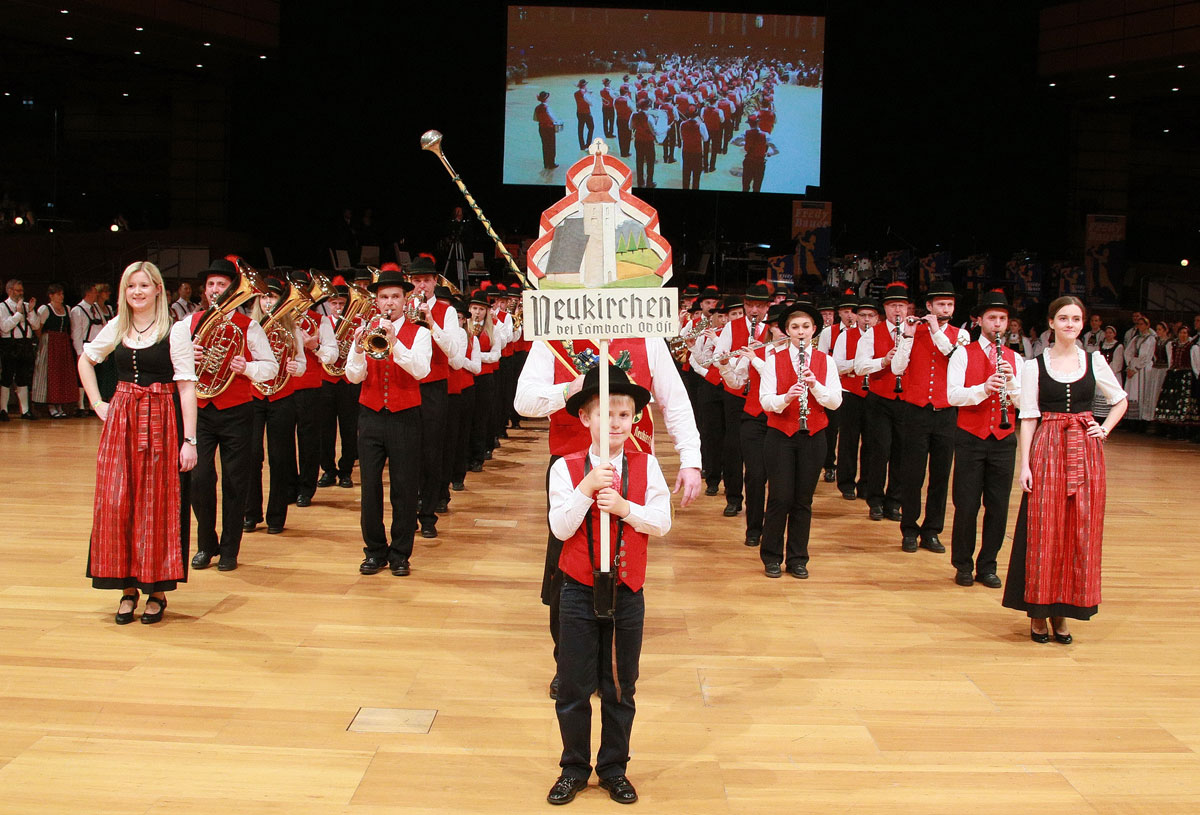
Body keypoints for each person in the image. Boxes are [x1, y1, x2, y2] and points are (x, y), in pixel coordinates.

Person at [515, 306, 701, 701]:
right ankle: (568, 660)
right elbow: (523, 401)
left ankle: (611, 666)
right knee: (567, 570)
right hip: (572, 469)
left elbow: (676, 402)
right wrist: (572, 388)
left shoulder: (647, 335)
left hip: (631, 468)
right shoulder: (553, 336)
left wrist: (691, 460)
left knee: (623, 562)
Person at [545, 365, 671, 807]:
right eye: (606, 414)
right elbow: (560, 529)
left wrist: (623, 506)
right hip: (578, 589)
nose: (615, 423)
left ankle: (614, 767)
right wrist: (584, 490)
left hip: (626, 590)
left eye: (624, 415)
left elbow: (662, 522)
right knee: (575, 685)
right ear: (585, 418)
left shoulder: (646, 464)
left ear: (635, 420)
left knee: (620, 687)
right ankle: (574, 768)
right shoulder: (565, 468)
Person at [78, 261, 198, 625]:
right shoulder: (117, 326)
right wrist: (98, 402)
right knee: (118, 501)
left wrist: (189, 439)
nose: (138, 292)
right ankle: (126, 587)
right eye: (131, 286)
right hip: (122, 422)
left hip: (162, 421)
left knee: (156, 504)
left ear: (158, 289)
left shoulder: (174, 331)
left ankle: (156, 590)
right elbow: (86, 360)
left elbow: (187, 387)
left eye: (145, 285)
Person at [1003, 296, 1127, 644]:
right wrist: (1024, 465)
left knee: (1078, 529)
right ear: (1051, 323)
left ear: (1082, 324)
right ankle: (1039, 612)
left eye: (1076, 319)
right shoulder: (1034, 365)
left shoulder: (1094, 360)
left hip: (1085, 452)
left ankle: (1064, 611)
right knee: (1045, 529)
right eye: (1063, 318)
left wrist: (1104, 428)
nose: (1070, 324)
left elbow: (1120, 399)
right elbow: (1028, 417)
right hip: (1048, 446)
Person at [188, 258, 279, 572]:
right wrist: (189, 355)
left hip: (237, 411)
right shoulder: (190, 323)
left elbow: (270, 368)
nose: (215, 290)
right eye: (211, 285)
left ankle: (230, 549)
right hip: (198, 411)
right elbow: (173, 368)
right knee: (198, 479)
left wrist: (247, 367)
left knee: (235, 481)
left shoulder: (248, 326)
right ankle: (206, 542)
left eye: (221, 285)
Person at [345, 267, 432, 576]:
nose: (389, 303)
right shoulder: (365, 330)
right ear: (376, 301)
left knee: (404, 488)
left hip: (405, 417)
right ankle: (374, 551)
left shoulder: (419, 332)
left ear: (405, 299)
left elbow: (421, 371)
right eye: (384, 297)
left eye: (395, 296)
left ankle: (400, 554)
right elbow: (353, 376)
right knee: (369, 488)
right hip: (370, 416)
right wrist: (357, 348)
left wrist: (396, 344)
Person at [758, 301, 842, 578]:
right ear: (787, 331)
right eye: (795, 327)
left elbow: (835, 402)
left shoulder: (825, 361)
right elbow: (766, 401)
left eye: (806, 326)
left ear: (814, 330)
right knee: (780, 497)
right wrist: (788, 396)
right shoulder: (774, 360)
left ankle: (798, 559)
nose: (801, 332)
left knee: (803, 500)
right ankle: (771, 556)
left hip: (814, 436)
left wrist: (815, 384)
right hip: (780, 435)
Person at [946, 290, 1022, 588]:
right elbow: (953, 395)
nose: (998, 324)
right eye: (992, 318)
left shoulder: (1016, 358)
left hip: (1003, 440)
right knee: (966, 504)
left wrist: (1011, 382)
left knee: (998, 505)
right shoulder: (963, 353)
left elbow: (1025, 402)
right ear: (980, 321)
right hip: (970, 438)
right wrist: (984, 388)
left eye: (1003, 319)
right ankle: (963, 564)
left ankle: (988, 565)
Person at [890, 282, 965, 554]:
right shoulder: (911, 332)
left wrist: (935, 330)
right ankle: (909, 528)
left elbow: (955, 360)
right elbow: (897, 368)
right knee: (912, 474)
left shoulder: (961, 336)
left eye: (950, 305)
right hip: (916, 412)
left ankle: (932, 531)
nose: (946, 309)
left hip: (946, 414)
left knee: (940, 476)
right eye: (940, 305)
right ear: (929, 307)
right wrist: (908, 337)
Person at [407, 256, 467, 539]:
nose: (422, 285)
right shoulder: (401, 308)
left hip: (433, 388)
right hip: (406, 386)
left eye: (426, 280)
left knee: (432, 451)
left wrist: (432, 323)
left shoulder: (447, 311)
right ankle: (408, 510)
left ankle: (428, 514)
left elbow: (455, 356)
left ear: (434, 282)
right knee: (407, 451)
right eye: (416, 281)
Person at [243, 277, 306, 535]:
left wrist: (296, 367)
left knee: (281, 458)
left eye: (273, 297)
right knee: (251, 456)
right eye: (264, 297)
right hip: (255, 396)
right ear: (258, 300)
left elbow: (301, 362)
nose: (269, 301)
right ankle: (250, 513)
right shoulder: (249, 327)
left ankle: (277, 516)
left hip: (282, 396)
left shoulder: (292, 329)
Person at [854, 282, 911, 521]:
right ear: (885, 309)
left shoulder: (913, 332)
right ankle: (875, 499)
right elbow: (859, 367)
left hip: (907, 400)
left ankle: (894, 502)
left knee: (902, 452)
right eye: (893, 306)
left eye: (902, 306)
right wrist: (882, 362)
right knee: (879, 450)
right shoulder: (871, 333)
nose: (898, 311)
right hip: (879, 399)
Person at [831, 296, 876, 501]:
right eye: (863, 315)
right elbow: (837, 365)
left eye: (871, 315)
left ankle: (866, 484)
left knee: (871, 441)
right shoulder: (845, 335)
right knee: (848, 440)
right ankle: (846, 483)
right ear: (856, 317)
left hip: (874, 393)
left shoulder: (882, 336)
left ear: (877, 318)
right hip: (850, 393)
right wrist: (859, 364)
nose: (867, 319)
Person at [32, 284, 77, 418]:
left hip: (62, 342)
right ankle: (51, 406)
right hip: (50, 341)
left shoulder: (67, 309)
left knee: (62, 373)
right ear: (51, 296)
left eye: (62, 294)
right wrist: (44, 341)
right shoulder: (45, 309)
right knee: (50, 373)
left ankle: (60, 404)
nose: (61, 297)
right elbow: (38, 329)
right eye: (58, 294)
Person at [0, 278, 42, 419]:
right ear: (10, 290)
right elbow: (4, 327)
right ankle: (3, 410)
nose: (21, 293)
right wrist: (18, 314)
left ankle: (25, 411)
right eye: (18, 290)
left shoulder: (26, 306)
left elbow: (36, 326)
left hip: (26, 344)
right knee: (7, 377)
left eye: (22, 290)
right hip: (9, 344)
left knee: (23, 378)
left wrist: (30, 312)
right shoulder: (2, 307)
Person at [72, 282, 107, 416]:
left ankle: (94, 407)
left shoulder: (97, 308)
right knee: (83, 378)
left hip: (97, 346)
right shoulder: (78, 310)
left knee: (98, 376)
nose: (96, 294)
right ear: (87, 293)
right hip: (85, 346)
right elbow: (76, 333)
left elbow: (103, 326)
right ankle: (80, 406)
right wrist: (80, 353)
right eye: (94, 291)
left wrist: (105, 348)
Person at [534, 91, 562, 170]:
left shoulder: (537, 108)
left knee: (545, 145)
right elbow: (553, 118)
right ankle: (551, 163)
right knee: (551, 146)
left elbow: (535, 118)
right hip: (549, 128)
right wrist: (558, 121)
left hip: (541, 128)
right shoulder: (547, 108)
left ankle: (546, 163)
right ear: (546, 99)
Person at [573, 79, 594, 151]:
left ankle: (582, 146)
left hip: (579, 112)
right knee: (591, 128)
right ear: (584, 86)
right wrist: (590, 94)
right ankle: (588, 144)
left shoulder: (576, 93)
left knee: (580, 129)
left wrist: (586, 92)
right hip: (586, 113)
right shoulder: (585, 94)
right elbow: (591, 103)